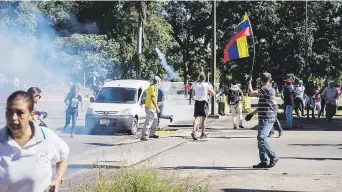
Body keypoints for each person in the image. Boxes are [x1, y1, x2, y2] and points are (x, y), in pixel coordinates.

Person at [0, 91, 69, 192]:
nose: (13, 118)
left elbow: (64, 156)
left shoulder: (47, 137)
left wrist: (58, 179)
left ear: (31, 113)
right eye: (9, 111)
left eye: (20, 113)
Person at [248, 72, 279, 168]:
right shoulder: (270, 89)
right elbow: (263, 104)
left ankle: (273, 156)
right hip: (265, 117)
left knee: (261, 138)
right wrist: (252, 113)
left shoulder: (265, 89)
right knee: (259, 139)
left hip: (267, 118)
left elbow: (250, 92)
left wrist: (249, 82)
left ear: (261, 80)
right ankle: (264, 161)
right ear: (270, 79)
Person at [191, 73, 216, 140]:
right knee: (204, 119)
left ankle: (193, 131)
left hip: (197, 102)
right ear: (204, 79)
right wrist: (212, 88)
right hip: (204, 102)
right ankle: (203, 133)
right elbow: (213, 93)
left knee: (197, 117)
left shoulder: (195, 84)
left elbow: (193, 94)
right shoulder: (206, 85)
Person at [141, 76, 161, 141]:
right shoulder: (152, 88)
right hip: (150, 107)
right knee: (149, 121)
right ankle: (144, 136)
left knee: (155, 120)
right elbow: (153, 98)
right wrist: (157, 107)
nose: (160, 83)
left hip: (153, 108)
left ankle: (151, 134)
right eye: (159, 82)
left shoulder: (156, 88)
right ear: (157, 82)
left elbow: (155, 98)